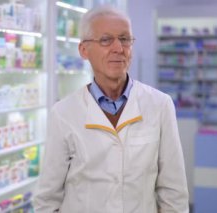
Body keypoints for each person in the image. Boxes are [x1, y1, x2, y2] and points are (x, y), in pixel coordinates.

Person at [34, 5, 189, 213]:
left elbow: (173, 192)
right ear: (84, 50)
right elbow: (47, 199)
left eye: (125, 39)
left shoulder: (160, 105)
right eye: (106, 40)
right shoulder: (63, 113)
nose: (118, 48)